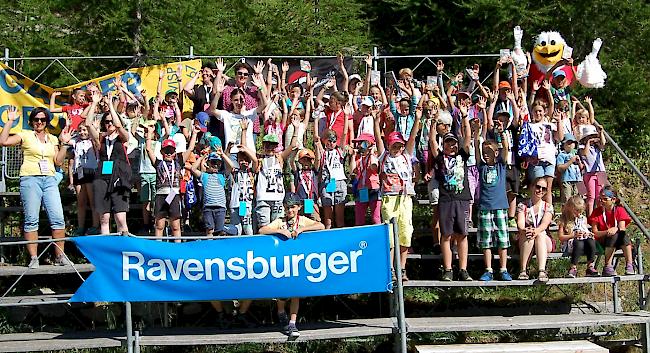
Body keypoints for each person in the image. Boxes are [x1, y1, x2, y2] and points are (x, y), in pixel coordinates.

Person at [0, 107, 71, 268]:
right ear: (31, 121)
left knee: (58, 218)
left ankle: (60, 256)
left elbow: (58, 162)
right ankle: (33, 258)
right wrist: (10, 121)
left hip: (50, 179)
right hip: (30, 179)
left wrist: (65, 144)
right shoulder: (25, 135)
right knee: (32, 219)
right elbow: (3, 141)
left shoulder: (52, 138)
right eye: (36, 119)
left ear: (46, 122)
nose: (39, 122)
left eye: (43, 120)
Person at [258, 192, 325, 338]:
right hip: (282, 263)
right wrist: (278, 231)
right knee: (281, 294)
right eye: (287, 208)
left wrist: (301, 229)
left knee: (296, 292)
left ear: (299, 207)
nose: (290, 211)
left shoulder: (302, 220)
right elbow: (262, 230)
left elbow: (321, 226)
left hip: (298, 263)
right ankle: (281, 313)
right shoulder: (280, 221)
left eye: (293, 207)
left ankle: (293, 323)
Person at [374, 106, 419, 281]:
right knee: (390, 236)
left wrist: (417, 119)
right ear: (389, 145)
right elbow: (378, 138)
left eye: (400, 145)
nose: (398, 148)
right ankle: (391, 269)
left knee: (405, 233)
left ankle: (402, 268)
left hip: (405, 198)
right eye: (395, 145)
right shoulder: (384, 155)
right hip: (388, 198)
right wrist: (377, 123)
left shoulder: (406, 155)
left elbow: (413, 137)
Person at [430, 111, 473, 281]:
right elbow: (432, 141)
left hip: (461, 199)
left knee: (462, 234)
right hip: (446, 199)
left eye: (454, 143)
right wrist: (433, 123)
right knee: (446, 234)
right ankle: (448, 269)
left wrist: (464, 117)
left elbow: (468, 136)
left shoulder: (462, 156)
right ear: (444, 145)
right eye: (448, 143)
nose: (452, 146)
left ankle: (463, 269)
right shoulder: (440, 158)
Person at [86, 91, 132, 235]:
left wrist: (111, 106)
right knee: (104, 218)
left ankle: (124, 249)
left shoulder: (122, 136)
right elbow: (87, 124)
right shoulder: (100, 138)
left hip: (120, 178)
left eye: (111, 121)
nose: (110, 124)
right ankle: (106, 250)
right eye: (107, 122)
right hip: (102, 178)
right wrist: (94, 103)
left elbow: (119, 126)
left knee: (120, 218)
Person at [145, 126, 197, 242]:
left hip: (174, 194)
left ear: (175, 152)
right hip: (161, 195)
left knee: (175, 226)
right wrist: (149, 134)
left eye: (171, 151)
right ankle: (158, 248)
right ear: (162, 152)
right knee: (159, 225)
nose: (169, 153)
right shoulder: (158, 163)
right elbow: (148, 149)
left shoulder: (178, 162)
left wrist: (194, 134)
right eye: (166, 151)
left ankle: (177, 248)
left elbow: (191, 148)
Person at [475, 133, 512, 281]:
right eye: (485, 153)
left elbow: (506, 149)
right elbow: (477, 152)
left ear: (496, 153)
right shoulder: (482, 166)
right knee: (486, 241)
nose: (486, 155)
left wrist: (503, 135)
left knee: (502, 240)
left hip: (500, 207)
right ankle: (488, 269)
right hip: (485, 207)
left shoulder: (501, 165)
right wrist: (478, 137)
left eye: (489, 152)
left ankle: (503, 269)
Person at [588, 187, 635, 276]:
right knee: (613, 236)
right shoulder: (597, 212)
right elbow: (595, 232)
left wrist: (615, 229)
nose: (602, 201)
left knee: (622, 235)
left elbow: (622, 227)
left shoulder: (620, 210)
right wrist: (607, 232)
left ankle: (629, 264)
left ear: (613, 199)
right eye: (600, 199)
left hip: (618, 239)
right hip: (602, 240)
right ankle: (607, 265)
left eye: (605, 199)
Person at [516, 177, 554, 282]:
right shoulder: (522, 206)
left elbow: (545, 224)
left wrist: (535, 231)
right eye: (538, 187)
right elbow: (520, 223)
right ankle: (523, 269)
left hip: (544, 239)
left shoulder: (548, 207)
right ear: (532, 187)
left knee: (540, 234)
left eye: (544, 189)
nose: (540, 190)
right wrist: (525, 230)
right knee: (528, 235)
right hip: (526, 237)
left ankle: (542, 270)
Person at [68, 123, 100, 236]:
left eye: (85, 130)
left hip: (91, 171)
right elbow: (65, 140)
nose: (82, 132)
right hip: (79, 172)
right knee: (81, 201)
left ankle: (95, 225)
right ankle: (81, 227)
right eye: (80, 130)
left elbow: (98, 141)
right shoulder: (76, 141)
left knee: (92, 200)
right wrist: (67, 127)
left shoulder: (93, 141)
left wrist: (94, 129)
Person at [314, 129, 348, 229]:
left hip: (339, 182)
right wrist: (315, 118)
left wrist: (346, 115)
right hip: (327, 183)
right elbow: (317, 139)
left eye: (334, 141)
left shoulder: (339, 151)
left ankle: (341, 238)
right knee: (328, 216)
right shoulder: (323, 152)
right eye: (329, 141)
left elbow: (344, 133)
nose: (331, 143)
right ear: (324, 141)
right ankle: (328, 234)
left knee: (339, 216)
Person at [559, 196, 599, 278]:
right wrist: (572, 235)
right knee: (578, 243)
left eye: (581, 211)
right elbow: (561, 237)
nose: (579, 214)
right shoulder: (564, 220)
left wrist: (587, 234)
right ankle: (573, 267)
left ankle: (590, 266)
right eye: (577, 211)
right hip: (571, 243)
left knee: (591, 241)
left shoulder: (583, 219)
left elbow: (585, 229)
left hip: (583, 241)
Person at [350, 133, 380, 225]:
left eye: (362, 143)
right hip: (362, 189)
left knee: (375, 218)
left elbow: (374, 167)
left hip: (373, 188)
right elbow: (352, 171)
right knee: (359, 219)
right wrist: (353, 156)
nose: (359, 145)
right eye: (358, 143)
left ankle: (378, 236)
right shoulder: (359, 159)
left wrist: (371, 153)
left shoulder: (375, 156)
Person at [555, 133, 583, 203]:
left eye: (572, 143)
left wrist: (579, 162)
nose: (570, 145)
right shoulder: (561, 155)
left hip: (578, 180)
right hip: (567, 180)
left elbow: (582, 168)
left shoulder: (576, 154)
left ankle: (576, 213)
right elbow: (560, 168)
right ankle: (566, 213)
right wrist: (570, 161)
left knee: (578, 199)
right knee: (567, 199)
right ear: (563, 145)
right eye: (568, 143)